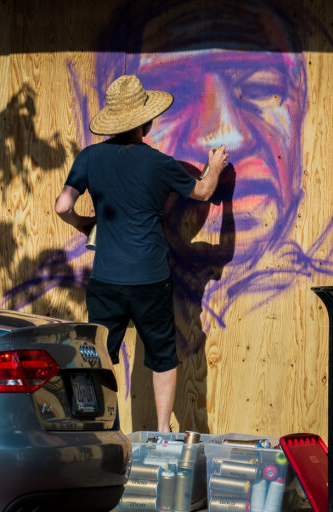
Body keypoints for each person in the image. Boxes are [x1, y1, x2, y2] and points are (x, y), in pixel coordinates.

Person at [54, 74, 228, 432]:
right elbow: (204, 192)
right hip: (151, 278)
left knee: (98, 357)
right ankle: (163, 431)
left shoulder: (90, 158)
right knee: (163, 356)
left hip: (106, 280)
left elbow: (61, 205)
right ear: (146, 122)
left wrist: (83, 223)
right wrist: (216, 165)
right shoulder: (159, 163)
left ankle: (99, 429)